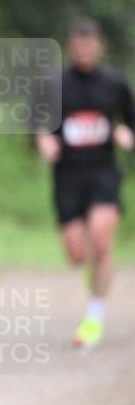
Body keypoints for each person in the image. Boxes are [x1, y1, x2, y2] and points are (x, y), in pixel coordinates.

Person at [35, 18, 134, 348]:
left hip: (103, 172)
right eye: (78, 47)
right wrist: (43, 140)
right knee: (78, 255)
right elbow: (38, 123)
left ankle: (94, 314)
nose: (84, 52)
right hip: (67, 177)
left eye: (89, 46)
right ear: (70, 48)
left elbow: (130, 121)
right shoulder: (55, 84)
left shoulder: (115, 84)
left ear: (99, 46)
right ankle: (93, 267)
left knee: (102, 239)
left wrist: (125, 133)